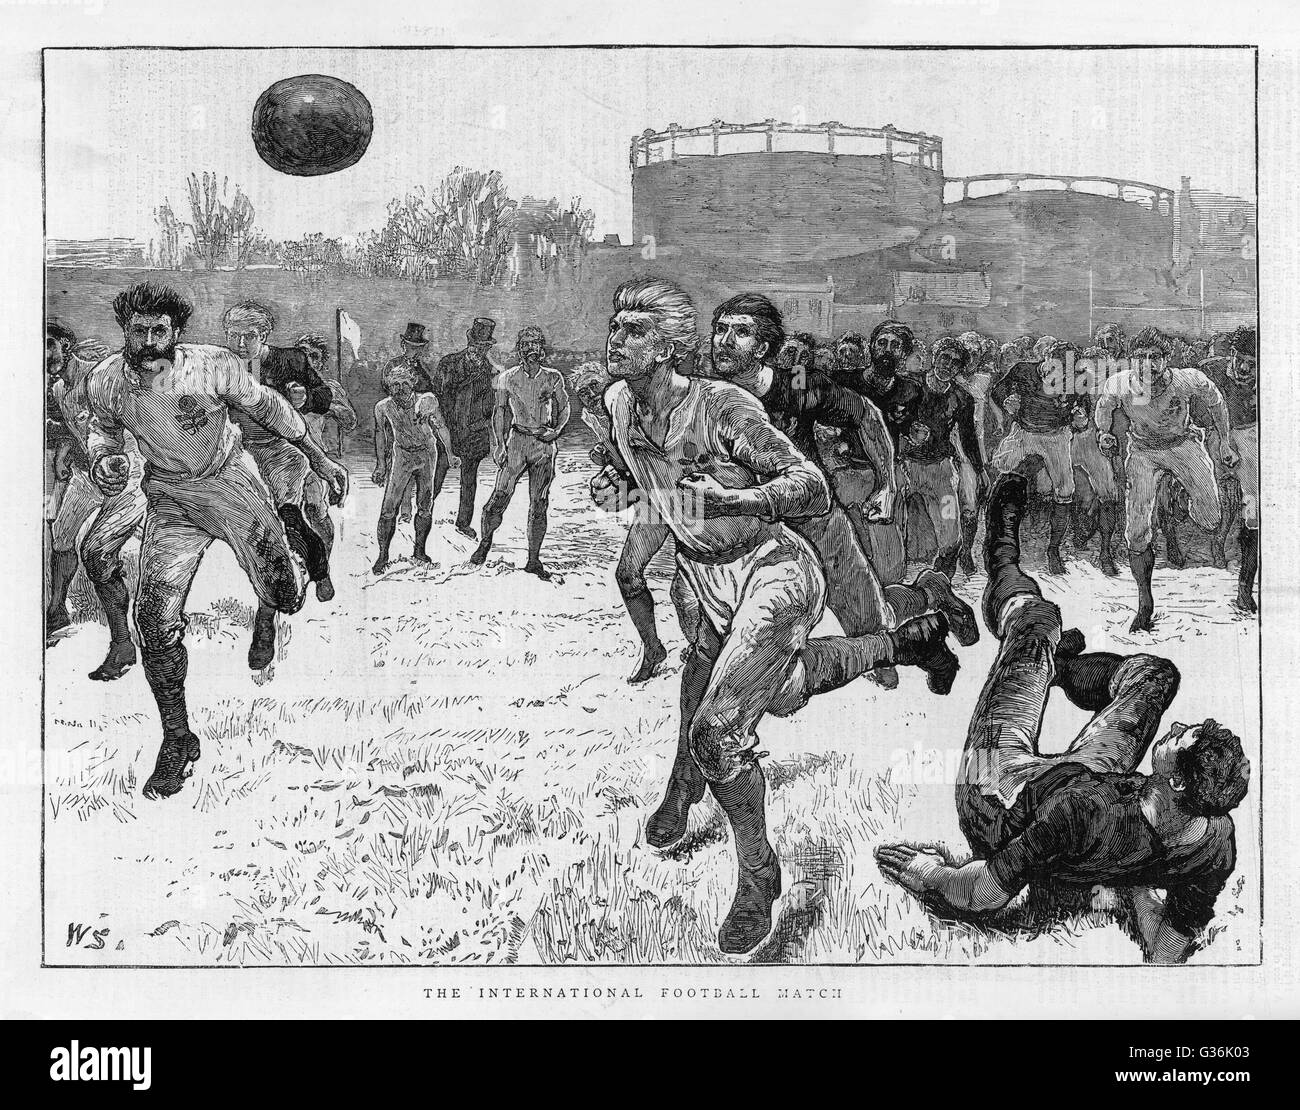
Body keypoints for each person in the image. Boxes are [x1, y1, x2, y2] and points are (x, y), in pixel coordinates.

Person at [593, 277, 960, 955]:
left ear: (670, 347)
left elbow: (810, 486)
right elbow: (642, 477)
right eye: (616, 327)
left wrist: (737, 501)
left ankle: (758, 875)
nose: (617, 339)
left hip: (773, 568)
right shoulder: (618, 401)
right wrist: (618, 484)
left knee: (723, 729)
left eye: (634, 331)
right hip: (703, 573)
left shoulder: (727, 405)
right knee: (764, 687)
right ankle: (895, 646)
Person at [876, 474, 1249, 963]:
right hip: (1098, 780)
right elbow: (1166, 950)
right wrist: (1132, 878)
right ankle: (1063, 668)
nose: (1176, 729)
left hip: (1002, 792)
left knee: (1035, 624)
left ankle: (1007, 569)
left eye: (1183, 739)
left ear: (1178, 783)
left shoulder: (1084, 813)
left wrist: (934, 875)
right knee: (1155, 676)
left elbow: (987, 891)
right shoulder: (1216, 842)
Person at [86, 282, 348, 799]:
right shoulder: (106, 382)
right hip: (169, 498)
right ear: (125, 332)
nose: (147, 341)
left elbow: (270, 408)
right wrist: (105, 460)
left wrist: (317, 456)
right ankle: (178, 740)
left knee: (285, 594)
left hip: (230, 483)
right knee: (154, 622)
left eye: (158, 330)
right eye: (137, 331)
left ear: (176, 333)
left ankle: (292, 557)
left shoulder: (212, 365)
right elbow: (104, 431)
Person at [710, 294, 978, 693]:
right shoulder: (702, 392)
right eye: (720, 330)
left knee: (875, 622)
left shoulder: (797, 384)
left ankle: (929, 591)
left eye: (741, 332)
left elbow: (866, 415)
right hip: (744, 522)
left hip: (811, 519)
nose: (725, 341)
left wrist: (887, 483)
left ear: (764, 348)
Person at [1095, 327, 1233, 632]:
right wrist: (1103, 433)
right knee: (1137, 532)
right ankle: (1145, 603)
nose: (1148, 364)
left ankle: (1179, 496)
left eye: (1155, 357)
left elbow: (1217, 400)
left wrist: (1224, 441)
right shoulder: (1120, 384)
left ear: (1166, 359)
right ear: (1131, 360)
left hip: (1182, 445)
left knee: (1211, 518)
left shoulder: (1187, 379)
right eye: (1141, 357)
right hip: (1143, 451)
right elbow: (1103, 408)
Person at [573, 360, 699, 681]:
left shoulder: (627, 399)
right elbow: (627, 459)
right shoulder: (594, 416)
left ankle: (703, 650)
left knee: (689, 588)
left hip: (683, 494)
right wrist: (608, 462)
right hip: (652, 498)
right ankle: (653, 647)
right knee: (627, 575)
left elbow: (671, 446)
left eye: (593, 385)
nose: (589, 394)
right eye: (582, 391)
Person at [222, 301, 336, 630]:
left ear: (265, 335)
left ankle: (318, 570)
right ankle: (273, 592)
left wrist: (306, 398)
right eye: (234, 335)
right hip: (240, 451)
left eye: (249, 336)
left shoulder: (291, 359)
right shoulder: (222, 363)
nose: (241, 343)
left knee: (288, 517)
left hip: (283, 449)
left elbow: (324, 394)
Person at [45, 319, 148, 678]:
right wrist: (65, 455)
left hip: (125, 473)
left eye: (50, 345)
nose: (45, 355)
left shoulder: (99, 377)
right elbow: (71, 429)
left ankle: (123, 642)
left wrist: (123, 460)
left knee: (98, 551)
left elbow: (131, 418)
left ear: (66, 346)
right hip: (88, 475)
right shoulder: (58, 388)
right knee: (61, 537)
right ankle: (57, 610)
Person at [470, 325, 570, 579]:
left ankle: (533, 559)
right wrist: (500, 444)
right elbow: (500, 412)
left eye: (534, 344)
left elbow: (564, 406)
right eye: (524, 345)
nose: (529, 349)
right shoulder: (508, 378)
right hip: (516, 440)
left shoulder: (553, 377)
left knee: (540, 502)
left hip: (543, 444)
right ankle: (485, 543)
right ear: (519, 350)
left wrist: (556, 430)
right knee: (499, 496)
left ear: (541, 348)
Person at [990, 341, 1079, 575]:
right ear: (1046, 357)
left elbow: (1081, 413)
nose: (1058, 372)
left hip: (1055, 436)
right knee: (1006, 472)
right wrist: (1007, 403)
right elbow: (997, 392)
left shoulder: (1073, 382)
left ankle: (1053, 549)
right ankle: (1002, 542)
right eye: (1055, 364)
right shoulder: (1023, 371)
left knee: (1065, 490)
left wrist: (1081, 420)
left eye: (1065, 369)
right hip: (1025, 431)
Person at [901, 337, 986, 579]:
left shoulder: (961, 398)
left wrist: (979, 471)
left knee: (950, 536)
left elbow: (968, 438)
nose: (948, 365)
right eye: (944, 358)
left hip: (940, 470)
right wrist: (909, 431)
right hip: (906, 465)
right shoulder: (910, 386)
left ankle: (943, 580)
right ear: (934, 357)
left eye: (955, 363)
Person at [371, 364, 453, 573]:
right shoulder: (383, 407)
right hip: (403, 454)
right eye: (395, 385)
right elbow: (380, 434)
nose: (400, 389)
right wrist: (381, 464)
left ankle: (419, 550)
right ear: (388, 386)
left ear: (413, 383)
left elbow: (441, 426)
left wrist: (450, 454)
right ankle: (382, 555)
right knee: (389, 505)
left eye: (405, 384)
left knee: (425, 502)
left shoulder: (425, 401)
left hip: (426, 453)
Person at [1199, 326, 1258, 612]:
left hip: (1249, 435)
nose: (1245, 368)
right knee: (1217, 499)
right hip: (1217, 434)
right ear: (1231, 354)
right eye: (1240, 360)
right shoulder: (1209, 370)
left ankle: (1245, 588)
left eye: (1253, 363)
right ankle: (1218, 539)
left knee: (1253, 511)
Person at [433, 318, 499, 540]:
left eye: (483, 348)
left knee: (469, 481)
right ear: (469, 342)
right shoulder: (448, 363)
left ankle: (463, 522)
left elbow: (491, 405)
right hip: (449, 431)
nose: (478, 351)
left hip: (474, 433)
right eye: (476, 346)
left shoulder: (490, 373)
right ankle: (425, 509)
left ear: (488, 348)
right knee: (437, 474)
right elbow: (438, 396)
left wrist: (478, 422)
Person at [296, 334, 358, 461]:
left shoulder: (330, 388)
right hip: (283, 455)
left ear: (320, 364)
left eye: (313, 356)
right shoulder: (280, 384)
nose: (307, 359)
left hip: (314, 454)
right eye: (302, 354)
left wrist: (329, 406)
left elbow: (349, 423)